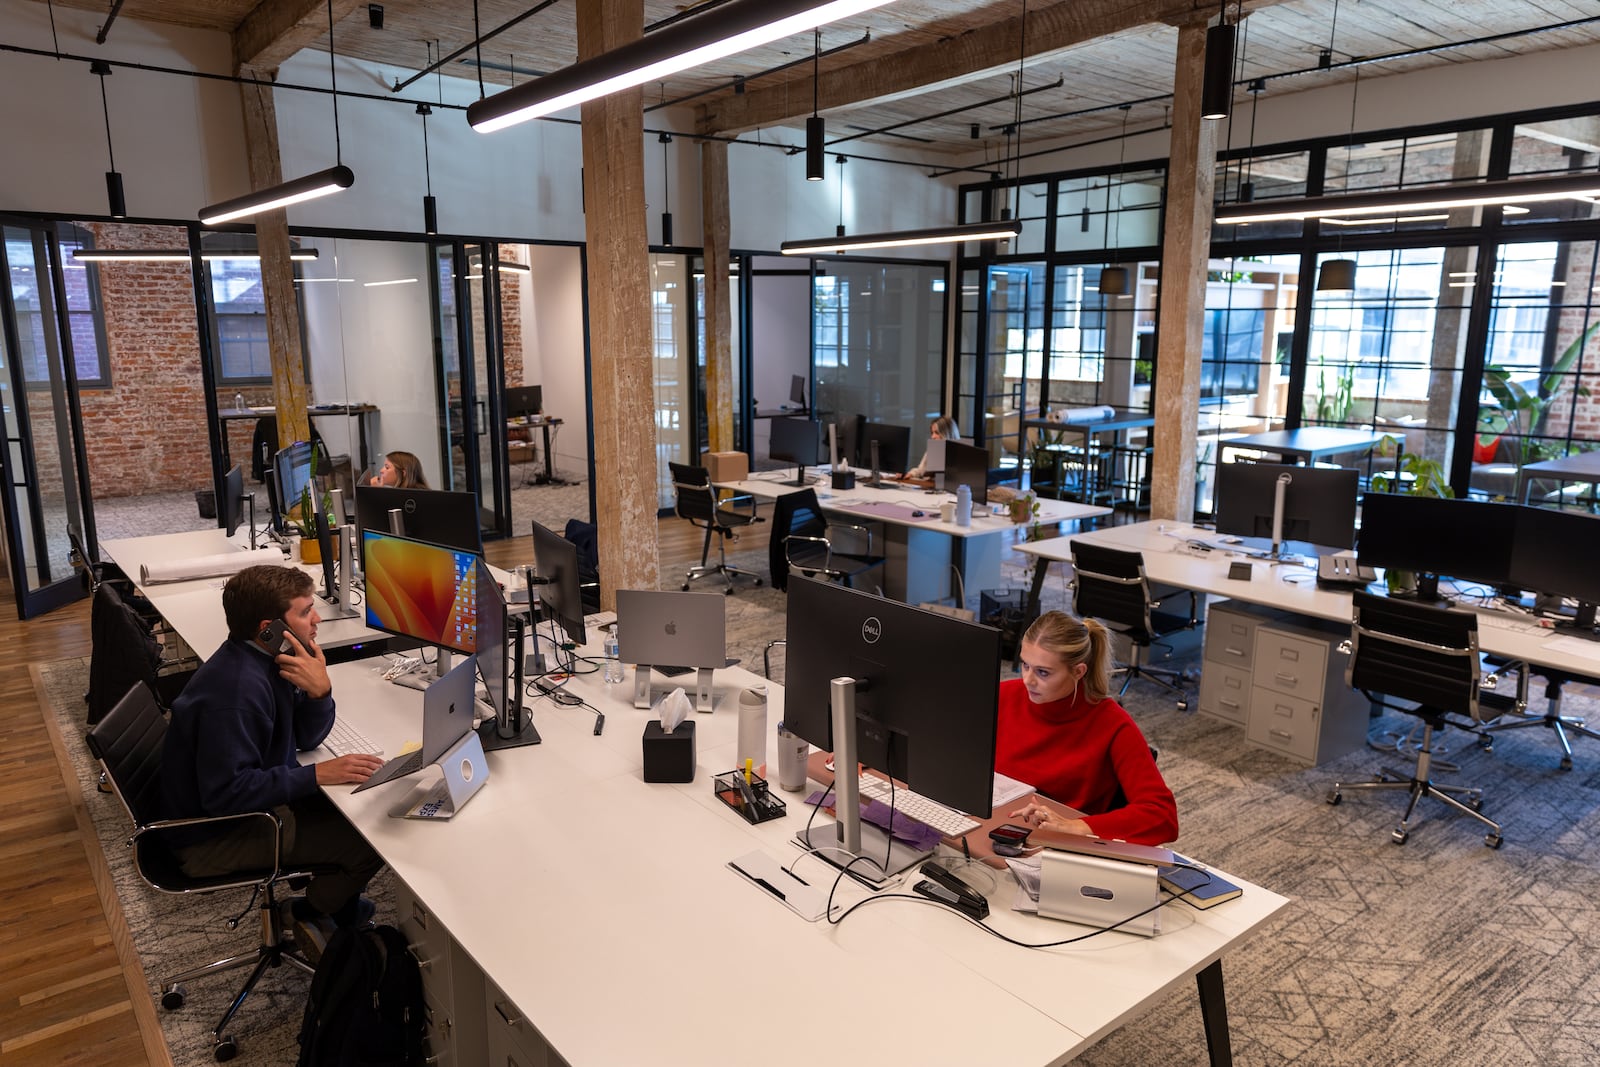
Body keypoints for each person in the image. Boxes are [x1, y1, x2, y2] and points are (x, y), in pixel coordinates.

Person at [161, 565, 386, 949]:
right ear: (270, 628)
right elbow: (226, 793)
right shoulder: (237, 692)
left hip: (241, 809)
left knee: (361, 805)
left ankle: (340, 913)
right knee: (373, 839)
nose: (317, 620)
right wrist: (315, 776)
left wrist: (320, 692)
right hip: (210, 836)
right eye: (304, 612)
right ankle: (306, 912)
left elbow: (305, 736)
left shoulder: (268, 659)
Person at [996, 610, 1178, 846]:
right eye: (1025, 665)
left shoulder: (1112, 724)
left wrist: (1077, 826)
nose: (1028, 680)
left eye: (1043, 672)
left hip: (1057, 846)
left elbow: (1162, 817)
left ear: (1078, 671)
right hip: (998, 828)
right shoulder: (1004, 695)